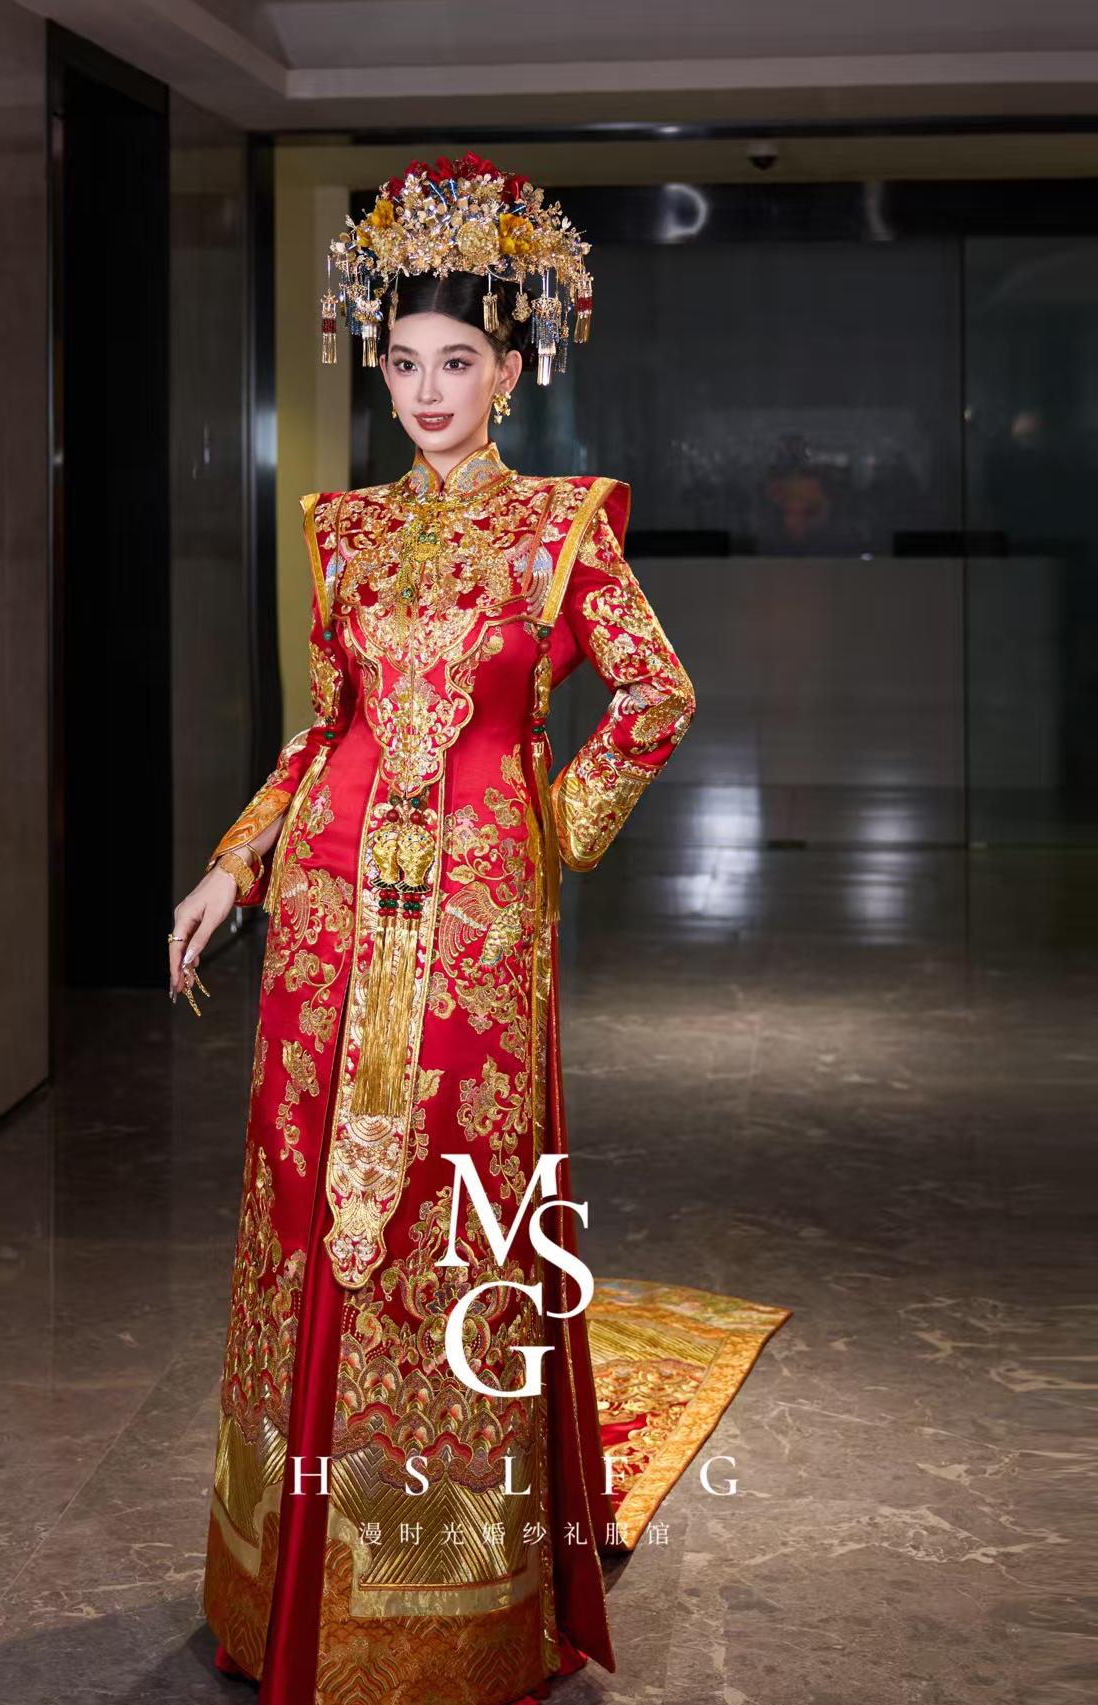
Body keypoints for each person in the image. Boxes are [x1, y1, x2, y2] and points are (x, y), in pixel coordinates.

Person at [169, 154, 697, 1705]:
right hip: (326, 931)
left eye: (457, 362)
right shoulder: (341, 531)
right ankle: (290, 1594)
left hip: (472, 940)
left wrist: (544, 827)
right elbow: (321, 728)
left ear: (510, 371)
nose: (425, 391)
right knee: (310, 1232)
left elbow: (655, 693)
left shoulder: (556, 530)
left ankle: (446, 1604)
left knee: (451, 1226)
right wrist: (236, 867)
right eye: (402, 362)